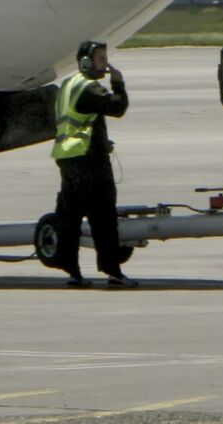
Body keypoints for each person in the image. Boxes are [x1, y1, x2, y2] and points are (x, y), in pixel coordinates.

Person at [50, 40, 135, 288]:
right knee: (103, 217)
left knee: (70, 216)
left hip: (68, 157)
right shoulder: (89, 88)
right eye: (100, 59)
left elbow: (78, 120)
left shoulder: (69, 85)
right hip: (89, 162)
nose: (105, 64)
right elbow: (117, 107)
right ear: (86, 61)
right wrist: (118, 83)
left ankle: (72, 272)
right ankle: (113, 271)